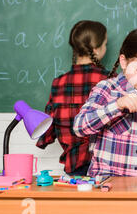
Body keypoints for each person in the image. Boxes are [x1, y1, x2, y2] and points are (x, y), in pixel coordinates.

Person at [73, 27, 137, 177]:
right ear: (124, 62)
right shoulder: (106, 89)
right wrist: (117, 106)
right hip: (107, 187)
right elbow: (79, 127)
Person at [37, 20, 109, 176]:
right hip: (106, 167)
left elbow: (47, 133)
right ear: (96, 50)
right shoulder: (110, 81)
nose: (106, 48)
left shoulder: (59, 84)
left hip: (74, 168)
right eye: (105, 45)